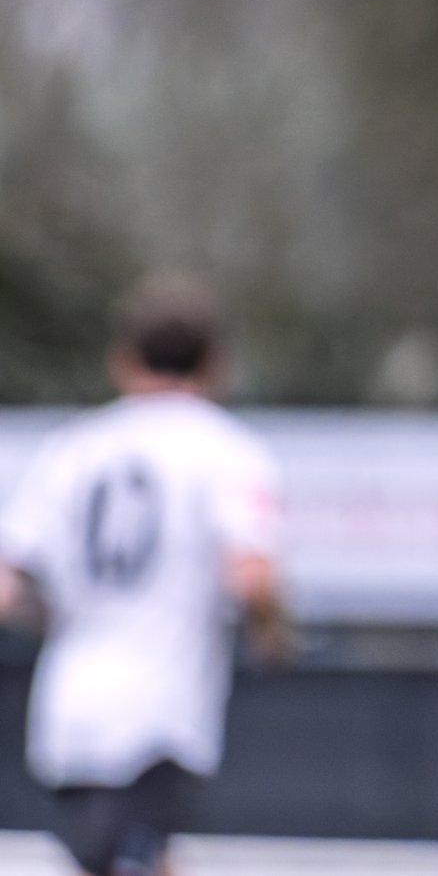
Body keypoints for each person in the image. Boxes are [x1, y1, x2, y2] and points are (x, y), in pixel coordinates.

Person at [0, 275, 287, 876]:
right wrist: (273, 634)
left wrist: (60, 617)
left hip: (68, 714)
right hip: (160, 713)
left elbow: (8, 589)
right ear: (216, 364)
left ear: (122, 359)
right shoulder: (227, 451)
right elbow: (251, 579)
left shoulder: (72, 449)